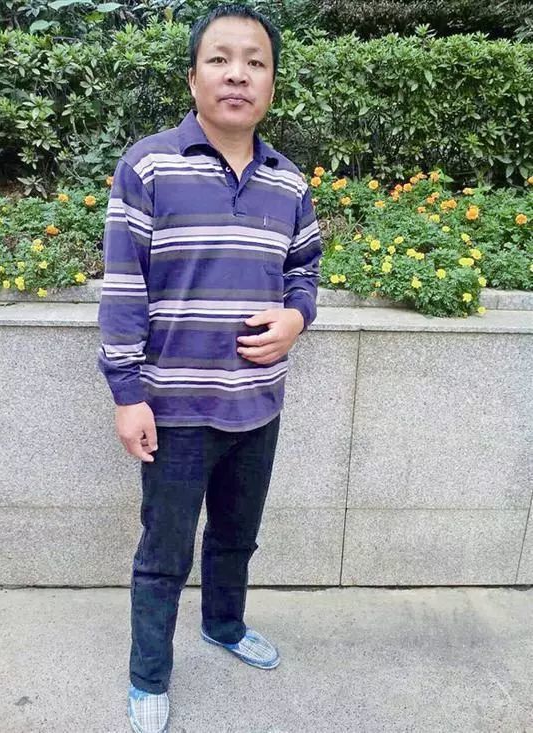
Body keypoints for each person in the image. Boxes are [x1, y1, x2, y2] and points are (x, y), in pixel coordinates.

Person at [97, 5, 322, 732]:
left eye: (255, 62)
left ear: (272, 85)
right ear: (193, 78)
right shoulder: (149, 166)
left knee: (235, 535)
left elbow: (304, 272)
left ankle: (224, 624)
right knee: (164, 552)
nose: (237, 74)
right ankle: (148, 675)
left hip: (257, 404)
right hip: (173, 409)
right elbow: (124, 289)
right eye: (220, 59)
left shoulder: (288, 182)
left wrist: (296, 319)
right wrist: (127, 395)